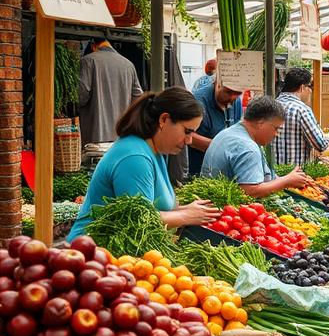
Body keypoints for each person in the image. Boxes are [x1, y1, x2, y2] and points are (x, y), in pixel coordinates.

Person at [68, 88, 221, 239]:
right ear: (164, 120)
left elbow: (152, 207)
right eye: (187, 131)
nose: (190, 140)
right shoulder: (135, 157)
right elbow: (138, 220)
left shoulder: (155, 150)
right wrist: (184, 216)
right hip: (89, 251)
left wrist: (185, 210)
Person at [201, 96, 312, 198]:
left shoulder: (230, 132)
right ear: (260, 123)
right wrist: (286, 181)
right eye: (276, 128)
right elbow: (250, 191)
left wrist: (289, 178)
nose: (276, 134)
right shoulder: (247, 147)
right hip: (226, 209)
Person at [78, 38, 144, 146]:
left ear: (93, 46)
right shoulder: (128, 65)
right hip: (121, 136)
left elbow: (81, 96)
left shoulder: (88, 60)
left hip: (95, 137)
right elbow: (138, 99)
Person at [272, 67, 329, 166]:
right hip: (295, 174)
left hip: (272, 175)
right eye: (310, 87)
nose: (311, 91)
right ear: (302, 88)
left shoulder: (270, 105)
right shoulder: (301, 110)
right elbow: (321, 144)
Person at [187, 77, 244, 177]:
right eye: (228, 92)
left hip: (224, 171)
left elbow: (238, 129)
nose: (233, 97)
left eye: (237, 93)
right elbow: (188, 135)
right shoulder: (198, 101)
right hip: (199, 169)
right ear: (217, 84)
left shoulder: (236, 101)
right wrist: (222, 147)